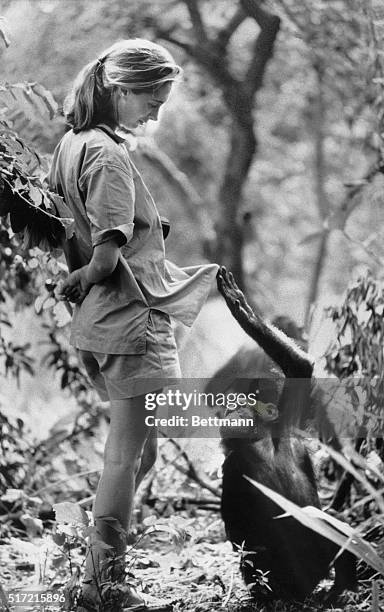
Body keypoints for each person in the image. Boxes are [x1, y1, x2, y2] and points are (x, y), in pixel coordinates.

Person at [47, 39, 219, 611]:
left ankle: (97, 560)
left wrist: (81, 282)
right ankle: (103, 585)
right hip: (130, 321)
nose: (155, 112)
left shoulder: (71, 145)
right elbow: (101, 256)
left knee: (135, 451)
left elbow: (67, 231)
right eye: (150, 98)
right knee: (128, 453)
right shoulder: (111, 156)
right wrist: (83, 279)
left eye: (162, 101)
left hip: (103, 325)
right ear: (118, 90)